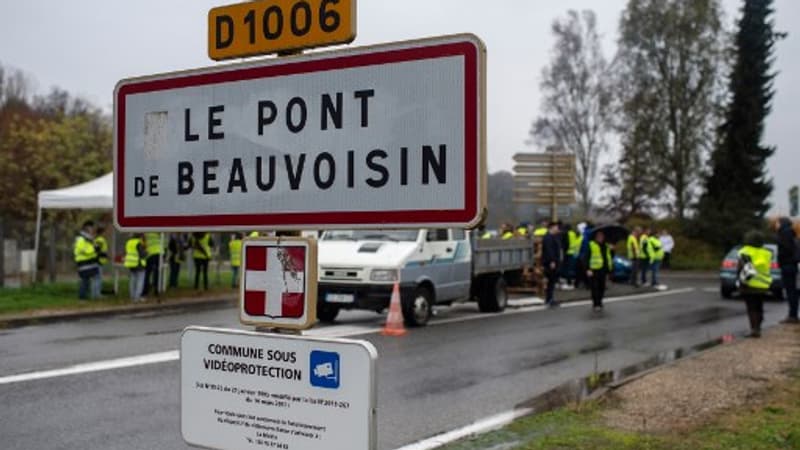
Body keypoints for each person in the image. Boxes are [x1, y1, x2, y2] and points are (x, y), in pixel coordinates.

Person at [737, 231, 773, 337]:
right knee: (759, 305)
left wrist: (739, 281)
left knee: (751, 307)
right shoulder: (767, 253)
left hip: (749, 283)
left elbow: (740, 268)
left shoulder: (744, 251)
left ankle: (755, 329)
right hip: (764, 284)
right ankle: (759, 324)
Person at [775, 217, 799, 324]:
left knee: (791, 291)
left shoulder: (785, 234)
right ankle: (793, 314)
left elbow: (786, 249)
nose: (776, 225)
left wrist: (782, 258)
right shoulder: (790, 233)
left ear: (782, 223)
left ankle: (792, 316)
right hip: (791, 265)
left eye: (777, 223)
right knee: (793, 291)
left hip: (788, 265)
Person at [585, 229, 612, 312]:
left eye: (602, 236)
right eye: (599, 237)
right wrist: (588, 269)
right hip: (594, 269)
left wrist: (612, 249)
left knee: (602, 287)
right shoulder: (591, 245)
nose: (601, 238)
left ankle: (600, 301)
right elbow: (586, 258)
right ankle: (596, 304)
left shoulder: (606, 246)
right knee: (595, 288)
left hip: (603, 269)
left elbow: (609, 257)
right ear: (596, 237)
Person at [73, 220, 99, 300]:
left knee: (87, 280)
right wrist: (94, 249)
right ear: (86, 228)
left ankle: (88, 296)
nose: (92, 229)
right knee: (85, 280)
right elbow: (83, 250)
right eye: (91, 227)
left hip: (90, 262)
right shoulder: (81, 239)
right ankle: (83, 297)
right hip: (84, 262)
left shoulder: (88, 238)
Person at [541, 222, 562, 308]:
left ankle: (550, 299)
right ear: (552, 228)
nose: (558, 229)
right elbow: (549, 250)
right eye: (556, 227)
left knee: (552, 282)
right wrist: (552, 261)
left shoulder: (554, 237)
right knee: (550, 281)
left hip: (554, 261)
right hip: (550, 263)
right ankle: (549, 300)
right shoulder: (548, 238)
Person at [124, 233, 147, 302]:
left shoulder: (128, 242)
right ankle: (137, 297)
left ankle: (132, 296)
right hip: (138, 263)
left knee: (132, 280)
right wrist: (146, 252)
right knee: (140, 281)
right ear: (140, 236)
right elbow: (142, 254)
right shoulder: (138, 243)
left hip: (131, 263)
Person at [142, 232, 163, 297]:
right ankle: (157, 290)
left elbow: (144, 245)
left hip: (150, 254)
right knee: (157, 273)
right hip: (159, 253)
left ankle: (145, 291)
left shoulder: (145, 234)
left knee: (147, 273)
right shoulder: (157, 233)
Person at [93, 225, 109, 298]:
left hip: (98, 261)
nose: (106, 234)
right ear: (102, 232)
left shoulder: (97, 239)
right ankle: (97, 294)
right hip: (98, 261)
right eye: (105, 232)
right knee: (98, 278)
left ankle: (95, 294)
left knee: (96, 278)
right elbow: (97, 250)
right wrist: (105, 255)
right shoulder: (100, 240)